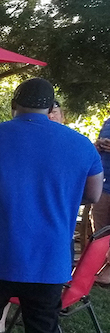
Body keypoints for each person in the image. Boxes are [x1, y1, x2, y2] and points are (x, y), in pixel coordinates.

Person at [0, 78, 103, 333]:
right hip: (51, 258)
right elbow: (93, 194)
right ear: (50, 109)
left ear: (13, 104)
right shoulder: (82, 145)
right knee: (42, 326)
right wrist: (59, 195)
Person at [94, 116, 110, 286]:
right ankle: (98, 266)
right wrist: (98, 146)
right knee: (101, 232)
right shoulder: (108, 122)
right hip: (103, 185)